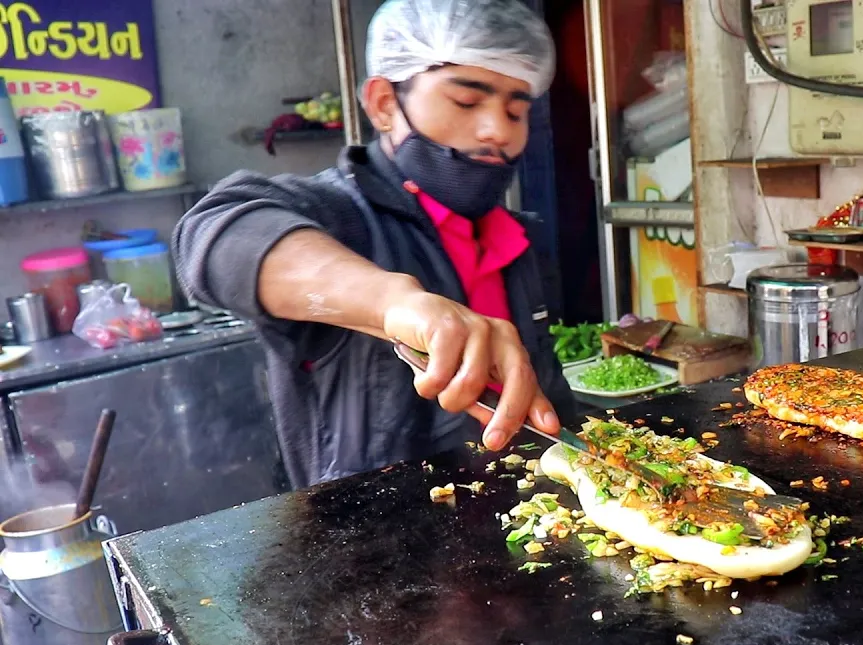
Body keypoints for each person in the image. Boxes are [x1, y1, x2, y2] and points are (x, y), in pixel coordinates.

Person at [172, 0, 574, 488]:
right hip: (377, 546)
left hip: (529, 527)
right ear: (385, 103)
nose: (498, 131)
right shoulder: (340, 217)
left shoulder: (518, 241)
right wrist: (392, 302)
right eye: (466, 102)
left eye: (516, 111)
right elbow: (217, 234)